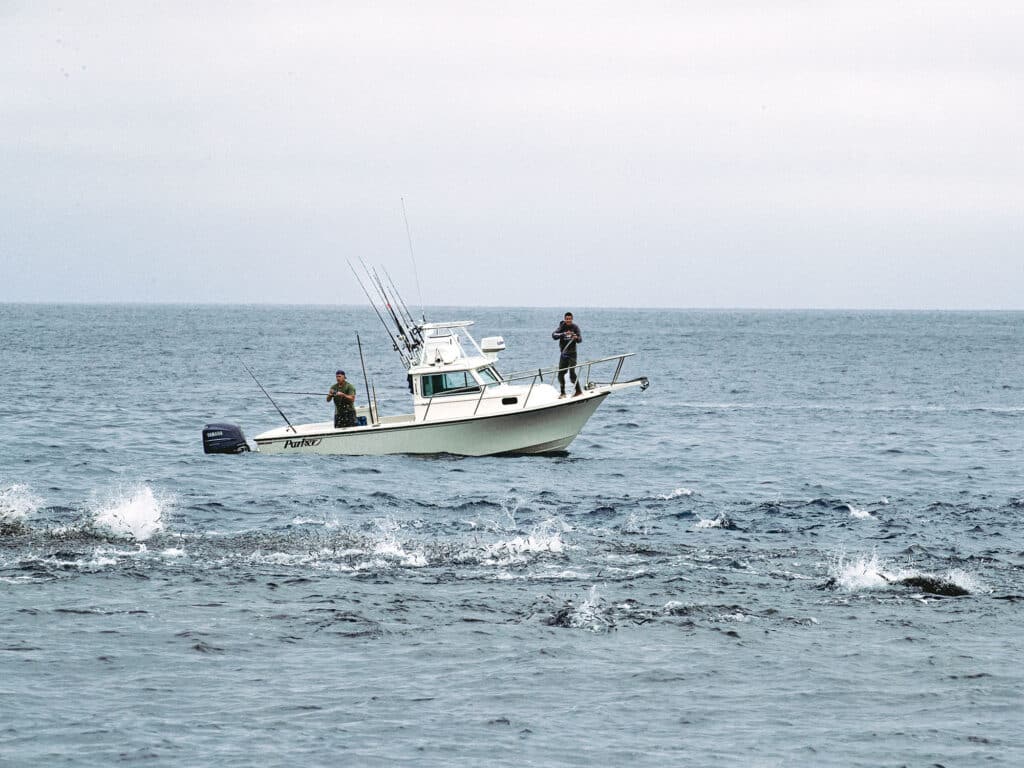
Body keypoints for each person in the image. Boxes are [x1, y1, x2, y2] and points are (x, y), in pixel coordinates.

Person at [552, 311, 583, 398]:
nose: (568, 320)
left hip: (572, 354)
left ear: (572, 319)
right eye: (566, 319)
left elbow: (580, 340)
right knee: (560, 374)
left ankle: (578, 391)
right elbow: (554, 335)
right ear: (565, 319)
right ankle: (563, 393)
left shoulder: (575, 327)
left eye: (569, 319)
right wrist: (563, 334)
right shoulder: (562, 327)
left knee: (572, 373)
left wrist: (576, 337)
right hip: (563, 354)